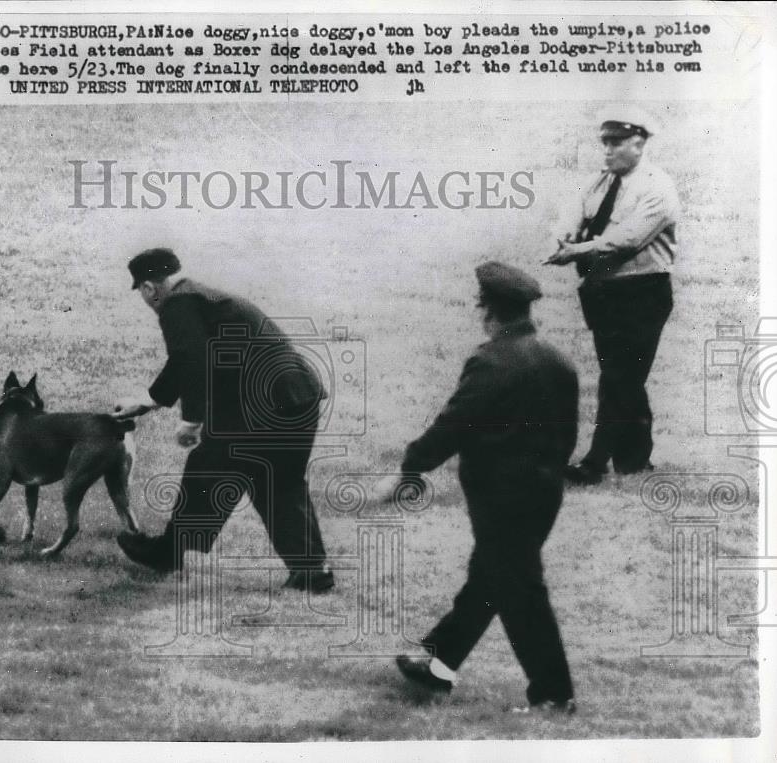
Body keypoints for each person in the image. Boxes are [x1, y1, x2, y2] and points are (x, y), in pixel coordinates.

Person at [381, 261, 578, 714]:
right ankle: (439, 664)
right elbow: (567, 438)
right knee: (491, 577)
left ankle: (553, 693)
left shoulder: (490, 361)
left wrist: (410, 469)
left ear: (487, 310)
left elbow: (454, 423)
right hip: (544, 493)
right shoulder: (558, 359)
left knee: (520, 590)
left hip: (500, 498)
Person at [113, 248, 334, 593]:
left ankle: (168, 553)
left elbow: (192, 358)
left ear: (149, 288)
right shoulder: (203, 299)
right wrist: (148, 401)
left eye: (143, 292)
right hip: (298, 396)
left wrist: (192, 421)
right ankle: (312, 571)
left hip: (265, 405)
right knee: (277, 482)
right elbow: (187, 360)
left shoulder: (177, 305)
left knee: (210, 466)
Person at [546, 105, 679, 485]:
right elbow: (574, 212)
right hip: (603, 294)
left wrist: (578, 251)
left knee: (619, 377)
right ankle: (634, 460)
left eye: (616, 142)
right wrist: (565, 235)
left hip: (643, 292)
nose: (607, 150)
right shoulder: (599, 182)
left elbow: (629, 239)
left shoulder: (657, 188)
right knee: (623, 376)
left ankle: (594, 463)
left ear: (639, 143)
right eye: (604, 142)